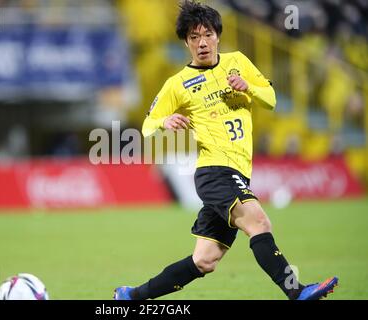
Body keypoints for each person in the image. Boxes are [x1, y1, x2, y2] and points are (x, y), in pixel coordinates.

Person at [114, 0, 338, 300]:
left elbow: (270, 99)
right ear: (186, 42)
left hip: (239, 172)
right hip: (215, 172)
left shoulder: (238, 62)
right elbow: (146, 125)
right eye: (193, 37)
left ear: (218, 35)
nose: (201, 43)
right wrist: (164, 120)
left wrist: (249, 87)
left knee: (204, 260)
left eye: (207, 34)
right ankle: (297, 292)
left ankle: (132, 297)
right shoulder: (177, 84)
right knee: (258, 221)